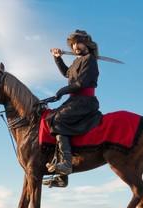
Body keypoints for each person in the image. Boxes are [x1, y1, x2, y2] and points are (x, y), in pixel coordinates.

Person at [44, 30, 103, 188]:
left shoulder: (90, 60)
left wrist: (61, 92)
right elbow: (67, 74)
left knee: (59, 119)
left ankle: (66, 163)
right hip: (75, 100)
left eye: (79, 43)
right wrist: (58, 59)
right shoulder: (78, 60)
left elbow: (80, 83)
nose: (76, 46)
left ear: (87, 43)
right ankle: (62, 178)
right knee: (51, 117)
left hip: (85, 101)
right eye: (73, 44)